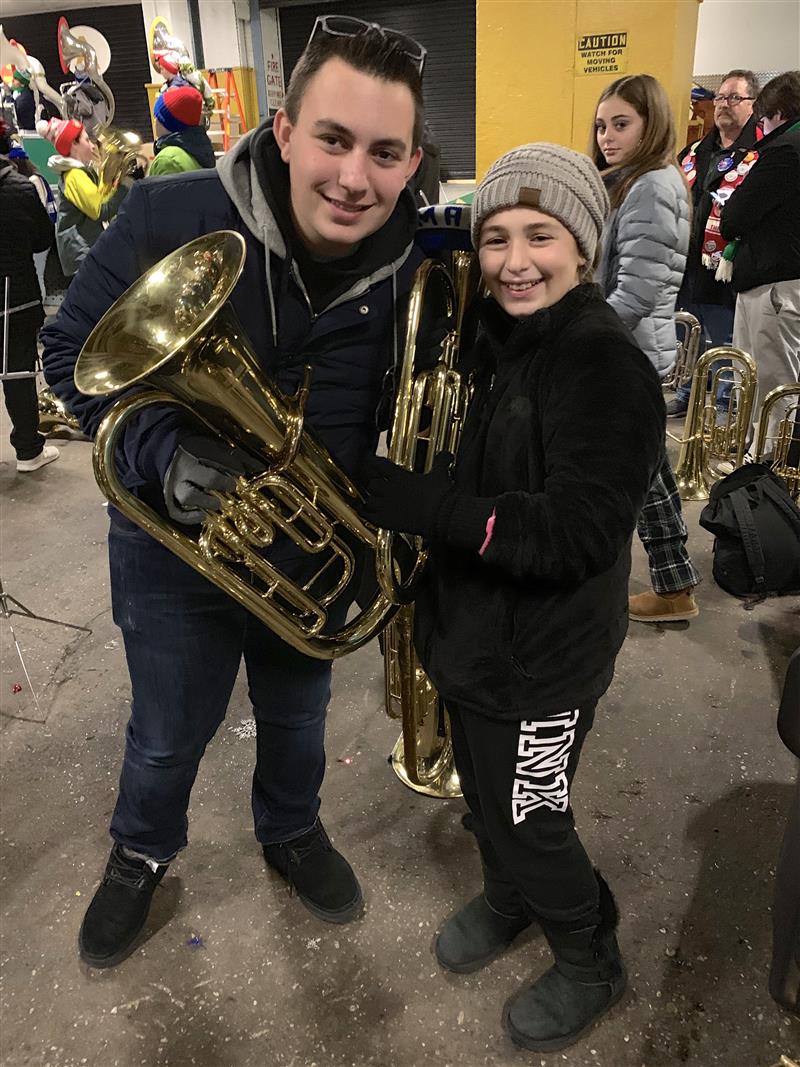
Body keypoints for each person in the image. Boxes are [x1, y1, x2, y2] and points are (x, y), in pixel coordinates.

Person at [41, 16, 425, 969]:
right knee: (169, 733)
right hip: (171, 545)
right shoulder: (169, 213)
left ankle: (290, 829)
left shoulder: (419, 255)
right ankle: (140, 851)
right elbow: (66, 354)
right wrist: (160, 452)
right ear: (286, 128)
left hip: (309, 546)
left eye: (384, 153)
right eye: (333, 139)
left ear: (414, 161)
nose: (353, 177)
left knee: (299, 717)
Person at [359, 144, 664, 1051]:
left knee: (532, 817)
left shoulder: (605, 364)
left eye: (541, 234)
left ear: (585, 247)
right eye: (495, 238)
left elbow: (579, 530)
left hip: (547, 659)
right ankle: (508, 902)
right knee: (484, 801)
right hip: (477, 636)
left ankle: (587, 955)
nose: (515, 260)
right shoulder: (500, 337)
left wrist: (438, 510)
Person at [593, 74, 700, 623]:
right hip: (630, 349)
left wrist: (582, 335)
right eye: (602, 125)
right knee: (650, 469)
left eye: (621, 124)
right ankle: (675, 583)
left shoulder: (653, 185)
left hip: (627, 351)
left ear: (651, 123)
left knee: (641, 472)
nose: (607, 136)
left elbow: (634, 291)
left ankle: (672, 585)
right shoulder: (637, 180)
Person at [668, 69, 761, 418]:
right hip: (688, 260)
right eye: (720, 98)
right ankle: (688, 392)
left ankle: (724, 401)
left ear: (753, 104)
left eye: (734, 98)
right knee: (688, 330)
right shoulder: (694, 151)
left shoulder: (759, 153)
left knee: (723, 335)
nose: (724, 105)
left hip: (729, 263)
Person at [719, 71, 800, 448]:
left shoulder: (787, 149)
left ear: (777, 112)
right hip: (777, 281)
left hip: (775, 283)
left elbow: (735, 215)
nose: (761, 129)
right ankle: (756, 454)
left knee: (772, 383)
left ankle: (767, 470)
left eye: (763, 119)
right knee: (761, 376)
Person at [0, 126, 59, 472]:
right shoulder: (21, 187)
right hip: (15, 295)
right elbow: (41, 240)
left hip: (14, 294)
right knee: (18, 372)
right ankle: (28, 451)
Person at [36, 116, 128, 281]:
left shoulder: (81, 172)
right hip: (82, 255)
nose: (93, 145)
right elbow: (101, 210)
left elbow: (101, 198)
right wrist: (125, 186)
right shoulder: (74, 176)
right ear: (74, 144)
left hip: (87, 251)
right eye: (87, 140)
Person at [148, 85, 215, 177]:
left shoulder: (167, 160)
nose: (155, 121)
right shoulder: (199, 148)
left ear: (168, 124)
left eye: (157, 117)